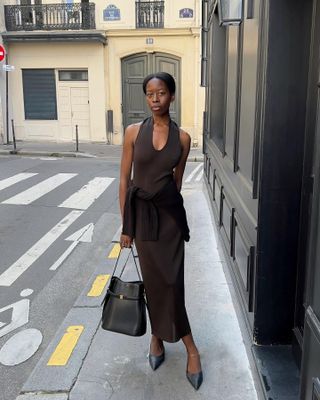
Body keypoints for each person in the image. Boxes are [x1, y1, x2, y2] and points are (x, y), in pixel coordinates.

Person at [119, 72, 203, 390]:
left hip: (169, 220)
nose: (156, 99)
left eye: (162, 93)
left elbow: (176, 183)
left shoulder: (182, 139)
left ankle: (189, 348)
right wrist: (127, 227)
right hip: (141, 220)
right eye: (150, 94)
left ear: (172, 96)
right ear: (146, 97)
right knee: (155, 283)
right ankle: (157, 339)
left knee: (172, 284)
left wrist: (174, 216)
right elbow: (124, 182)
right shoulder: (131, 133)